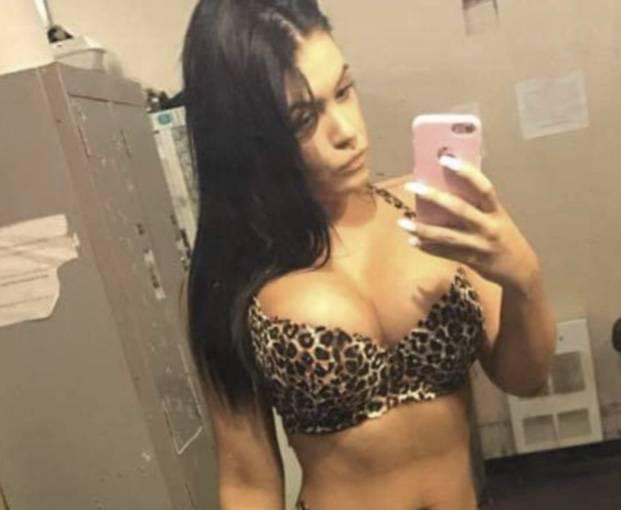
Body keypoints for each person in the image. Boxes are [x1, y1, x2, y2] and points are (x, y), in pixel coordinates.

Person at [181, 1, 557, 509]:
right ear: (248, 138)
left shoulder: (430, 210)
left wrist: (523, 277)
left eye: (343, 90)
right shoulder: (233, 277)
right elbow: (249, 481)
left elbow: (525, 379)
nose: (346, 131)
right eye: (303, 118)